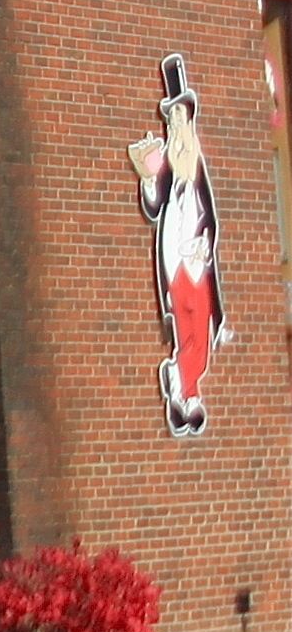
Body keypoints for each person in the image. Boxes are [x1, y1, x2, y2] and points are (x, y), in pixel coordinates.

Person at [129, 55, 227, 437]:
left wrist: (205, 242)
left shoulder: (196, 168)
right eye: (172, 121)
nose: (177, 127)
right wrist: (147, 177)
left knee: (200, 332)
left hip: (197, 260)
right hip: (176, 260)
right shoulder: (168, 167)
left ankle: (184, 387)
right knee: (188, 328)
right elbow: (154, 206)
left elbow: (209, 216)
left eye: (181, 120)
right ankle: (186, 392)